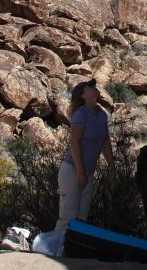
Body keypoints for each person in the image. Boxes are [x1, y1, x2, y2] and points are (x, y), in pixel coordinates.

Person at [55, 78, 115, 230]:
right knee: (67, 217)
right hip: (72, 170)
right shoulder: (81, 114)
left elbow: (105, 141)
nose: (94, 88)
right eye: (89, 87)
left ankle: (72, 251)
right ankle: (56, 250)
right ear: (82, 96)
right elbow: (74, 143)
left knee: (82, 218)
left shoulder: (101, 115)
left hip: (88, 171)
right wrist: (80, 171)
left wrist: (112, 167)